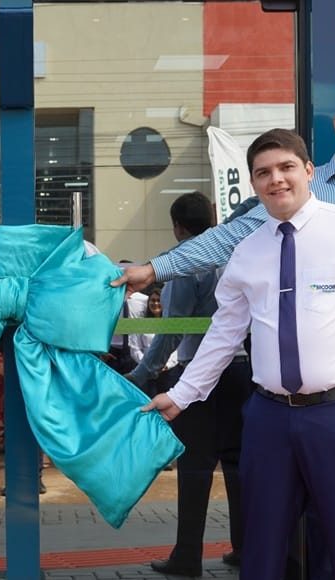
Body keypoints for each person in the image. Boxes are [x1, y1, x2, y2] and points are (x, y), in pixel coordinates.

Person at [116, 83, 335, 580]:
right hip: (272, 412)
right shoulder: (252, 244)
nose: (277, 179)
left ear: (306, 172)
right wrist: (181, 385)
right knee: (269, 538)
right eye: (264, 173)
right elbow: (224, 326)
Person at [127, 192, 249, 576]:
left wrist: (143, 373)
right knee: (237, 463)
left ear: (177, 227)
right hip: (242, 371)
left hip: (197, 376)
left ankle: (187, 556)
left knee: (195, 467)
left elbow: (172, 330)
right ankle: (245, 547)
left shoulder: (185, 263)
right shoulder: (234, 254)